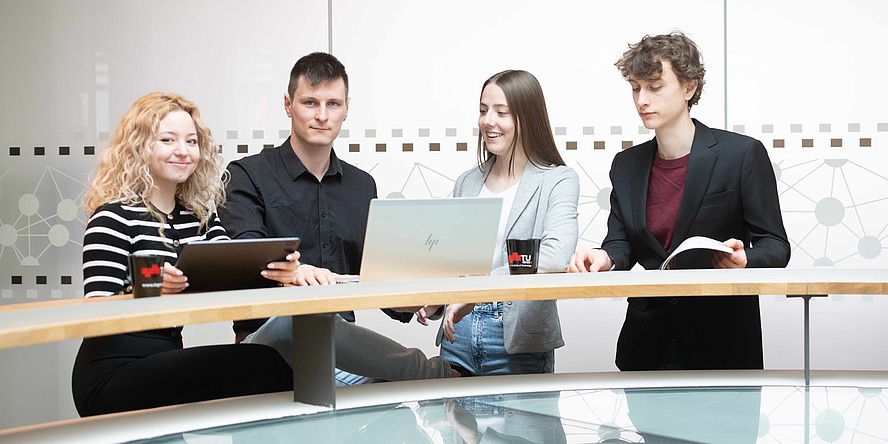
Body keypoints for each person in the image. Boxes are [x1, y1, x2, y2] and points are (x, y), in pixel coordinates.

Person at [218, 52, 453, 384]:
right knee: (301, 318)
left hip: (339, 351)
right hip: (268, 346)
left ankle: (419, 382)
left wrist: (414, 300)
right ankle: (434, 373)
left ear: (346, 108)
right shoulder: (247, 175)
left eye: (333, 104)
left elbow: (375, 278)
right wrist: (295, 273)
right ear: (288, 105)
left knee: (393, 406)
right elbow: (245, 257)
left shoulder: (361, 186)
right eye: (310, 103)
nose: (322, 116)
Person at [568, 32, 791, 371]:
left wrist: (746, 258)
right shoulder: (626, 165)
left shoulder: (741, 155)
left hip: (722, 343)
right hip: (646, 345)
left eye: (655, 87)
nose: (642, 99)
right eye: (635, 88)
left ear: (689, 87)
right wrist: (603, 257)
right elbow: (620, 244)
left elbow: (776, 246)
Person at [72, 92, 294, 417]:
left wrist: (277, 271)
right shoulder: (112, 217)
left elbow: (232, 270)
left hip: (165, 358)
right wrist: (151, 284)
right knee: (262, 365)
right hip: (112, 371)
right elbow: (97, 308)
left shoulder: (198, 217)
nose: (183, 151)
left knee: (268, 364)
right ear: (139, 146)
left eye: (191, 141)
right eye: (168, 140)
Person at [436, 70, 579, 376]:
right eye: (483, 110)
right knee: (449, 424)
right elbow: (456, 262)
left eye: (501, 112)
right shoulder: (467, 182)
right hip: (457, 337)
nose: (488, 121)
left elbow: (553, 255)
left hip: (519, 342)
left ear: (527, 118)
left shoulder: (557, 180)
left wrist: (478, 288)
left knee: (526, 426)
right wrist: (433, 297)